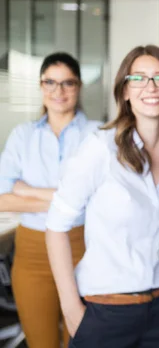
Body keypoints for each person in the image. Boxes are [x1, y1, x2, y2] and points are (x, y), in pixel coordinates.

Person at [45, 45, 159, 347]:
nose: (150, 87)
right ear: (124, 91)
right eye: (138, 78)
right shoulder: (100, 148)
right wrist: (71, 309)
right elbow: (55, 227)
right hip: (107, 309)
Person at [0, 52, 100, 348]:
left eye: (67, 83)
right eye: (50, 82)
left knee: (83, 340)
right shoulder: (22, 135)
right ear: (41, 86)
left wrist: (26, 189)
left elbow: (99, 196)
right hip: (32, 252)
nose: (59, 91)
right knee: (41, 342)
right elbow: (2, 200)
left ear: (78, 86)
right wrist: (69, 197)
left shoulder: (98, 133)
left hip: (84, 249)